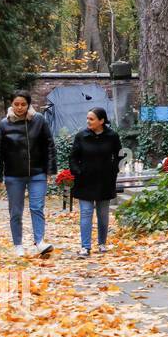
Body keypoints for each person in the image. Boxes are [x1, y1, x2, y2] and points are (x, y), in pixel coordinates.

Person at [0, 91, 56, 257]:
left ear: (29, 105)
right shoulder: (3, 125)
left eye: (23, 104)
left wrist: (50, 170)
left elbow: (49, 145)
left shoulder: (39, 121)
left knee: (37, 207)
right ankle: (18, 245)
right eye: (16, 104)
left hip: (37, 173)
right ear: (11, 105)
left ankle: (40, 242)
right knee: (16, 211)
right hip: (14, 176)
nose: (20, 108)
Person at [69, 107, 122, 258]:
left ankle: (102, 243)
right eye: (87, 118)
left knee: (103, 214)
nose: (88, 121)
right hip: (85, 180)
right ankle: (85, 247)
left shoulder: (112, 136)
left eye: (91, 119)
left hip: (105, 180)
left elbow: (119, 155)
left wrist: (113, 170)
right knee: (86, 213)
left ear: (101, 121)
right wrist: (77, 171)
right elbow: (73, 157)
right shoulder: (81, 136)